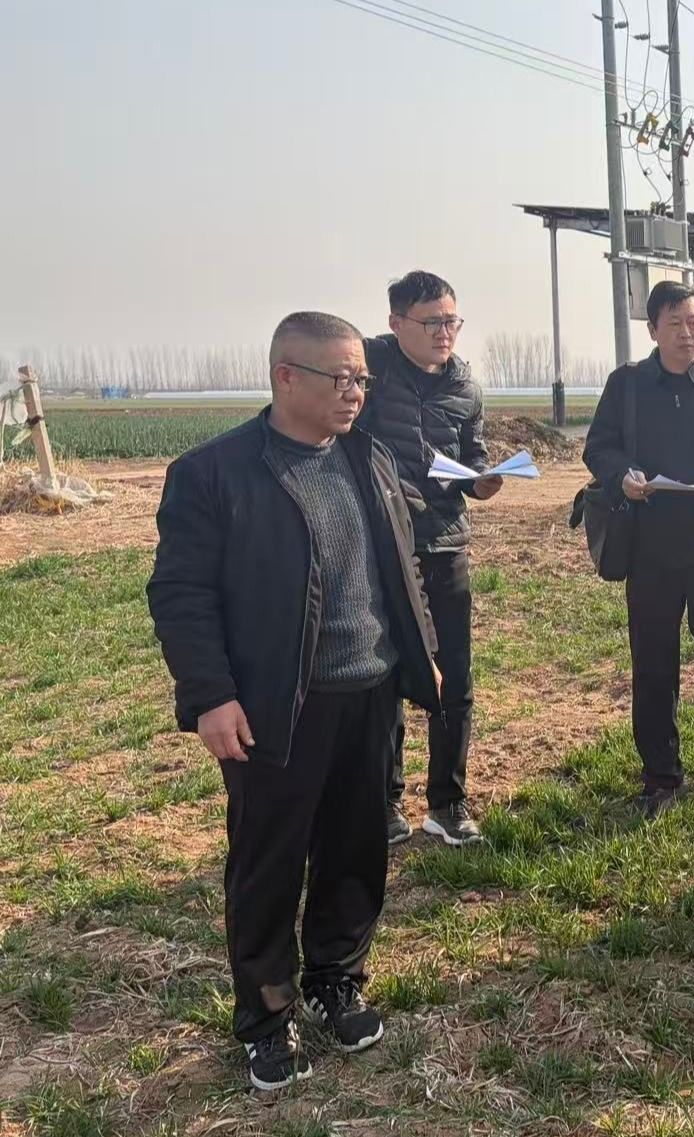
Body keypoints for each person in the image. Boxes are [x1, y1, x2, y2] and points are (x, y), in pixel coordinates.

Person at [147, 312, 442, 1091]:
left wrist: (422, 652)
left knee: (356, 848)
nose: (355, 392)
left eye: (361, 378)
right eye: (340, 378)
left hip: (369, 690)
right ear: (286, 376)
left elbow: (400, 563)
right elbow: (180, 594)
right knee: (269, 861)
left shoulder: (367, 456)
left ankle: (336, 978)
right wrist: (211, 695)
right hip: (278, 703)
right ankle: (266, 1015)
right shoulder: (215, 474)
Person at [584, 281, 694, 817]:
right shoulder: (627, 385)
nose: (687, 332)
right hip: (650, 548)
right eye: (674, 322)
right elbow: (598, 446)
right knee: (653, 664)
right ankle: (661, 775)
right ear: (652, 329)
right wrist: (620, 475)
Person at [357, 270, 496, 847]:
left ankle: (447, 802)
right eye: (432, 322)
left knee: (454, 676)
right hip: (384, 548)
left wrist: (483, 478)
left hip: (445, 541)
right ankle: (384, 801)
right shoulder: (369, 368)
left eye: (452, 321)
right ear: (396, 323)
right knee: (385, 674)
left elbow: (473, 454)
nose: (445, 333)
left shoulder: (466, 386)